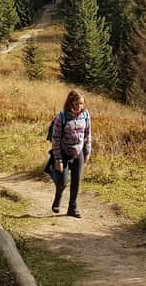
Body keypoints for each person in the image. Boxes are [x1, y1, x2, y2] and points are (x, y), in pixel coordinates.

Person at [50, 90, 91, 218]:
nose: (79, 106)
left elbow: (88, 134)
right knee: (63, 181)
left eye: (81, 104)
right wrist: (58, 159)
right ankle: (58, 197)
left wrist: (87, 150)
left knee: (76, 181)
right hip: (63, 153)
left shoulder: (85, 115)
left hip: (78, 152)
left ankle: (72, 208)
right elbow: (55, 138)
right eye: (77, 103)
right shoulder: (61, 117)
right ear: (70, 103)